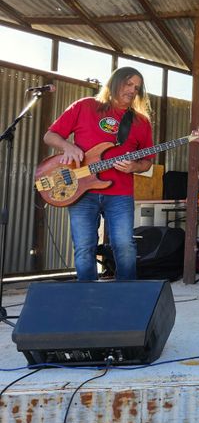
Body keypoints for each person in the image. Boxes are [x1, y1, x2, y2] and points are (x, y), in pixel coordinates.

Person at [43, 67, 154, 281]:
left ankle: (126, 296)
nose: (132, 90)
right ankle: (87, 297)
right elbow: (51, 135)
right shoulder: (85, 106)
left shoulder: (141, 122)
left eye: (137, 88)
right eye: (128, 84)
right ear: (115, 82)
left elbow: (147, 163)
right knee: (84, 247)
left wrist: (134, 167)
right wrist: (68, 147)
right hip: (81, 189)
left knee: (124, 245)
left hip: (120, 193)